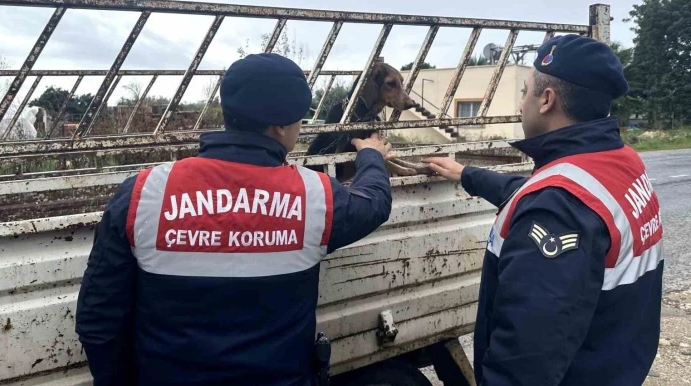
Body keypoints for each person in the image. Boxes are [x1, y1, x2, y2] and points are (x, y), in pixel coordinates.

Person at [76, 53, 396, 386]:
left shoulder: (144, 193)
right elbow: (373, 204)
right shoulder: (314, 197)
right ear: (282, 125)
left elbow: (98, 318)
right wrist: (371, 155)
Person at [424, 35, 663, 386]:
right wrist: (466, 174)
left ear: (547, 100)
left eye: (525, 92)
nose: (521, 103)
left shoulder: (556, 211)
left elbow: (524, 362)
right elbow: (546, 191)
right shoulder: (619, 162)